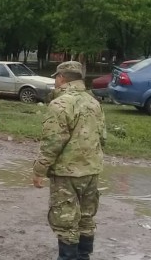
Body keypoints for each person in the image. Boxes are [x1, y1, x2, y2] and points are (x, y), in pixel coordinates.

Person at [33, 61, 106, 260]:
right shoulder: (94, 102)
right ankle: (84, 256)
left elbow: (52, 143)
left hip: (66, 174)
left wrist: (39, 170)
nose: (55, 81)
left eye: (56, 77)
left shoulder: (60, 104)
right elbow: (103, 137)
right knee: (86, 218)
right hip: (91, 171)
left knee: (66, 221)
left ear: (62, 78)